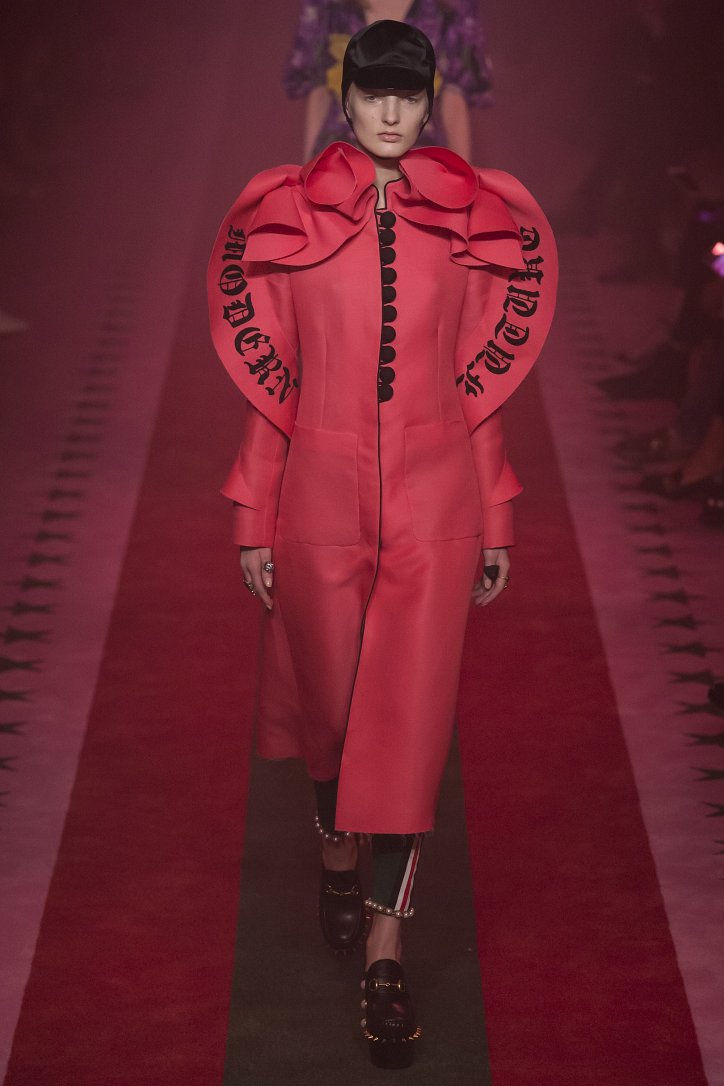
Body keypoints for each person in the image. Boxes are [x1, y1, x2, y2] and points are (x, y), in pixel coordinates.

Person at [208, 20, 556, 1069]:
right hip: (315, 498)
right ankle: (333, 853)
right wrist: (252, 516)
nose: (393, 114)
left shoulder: (471, 218)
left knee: (405, 729)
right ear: (347, 100)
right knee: (331, 715)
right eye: (375, 95)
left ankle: (386, 955)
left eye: (410, 95)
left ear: (431, 99)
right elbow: (271, 381)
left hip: (437, 504)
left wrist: (496, 513)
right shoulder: (290, 212)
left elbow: (478, 382)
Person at [284, 0, 493, 161]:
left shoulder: (451, 6)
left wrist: (463, 180)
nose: (390, 116)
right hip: (340, 156)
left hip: (419, 155)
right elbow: (319, 90)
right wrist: (308, 169)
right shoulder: (329, 5)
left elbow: (454, 97)